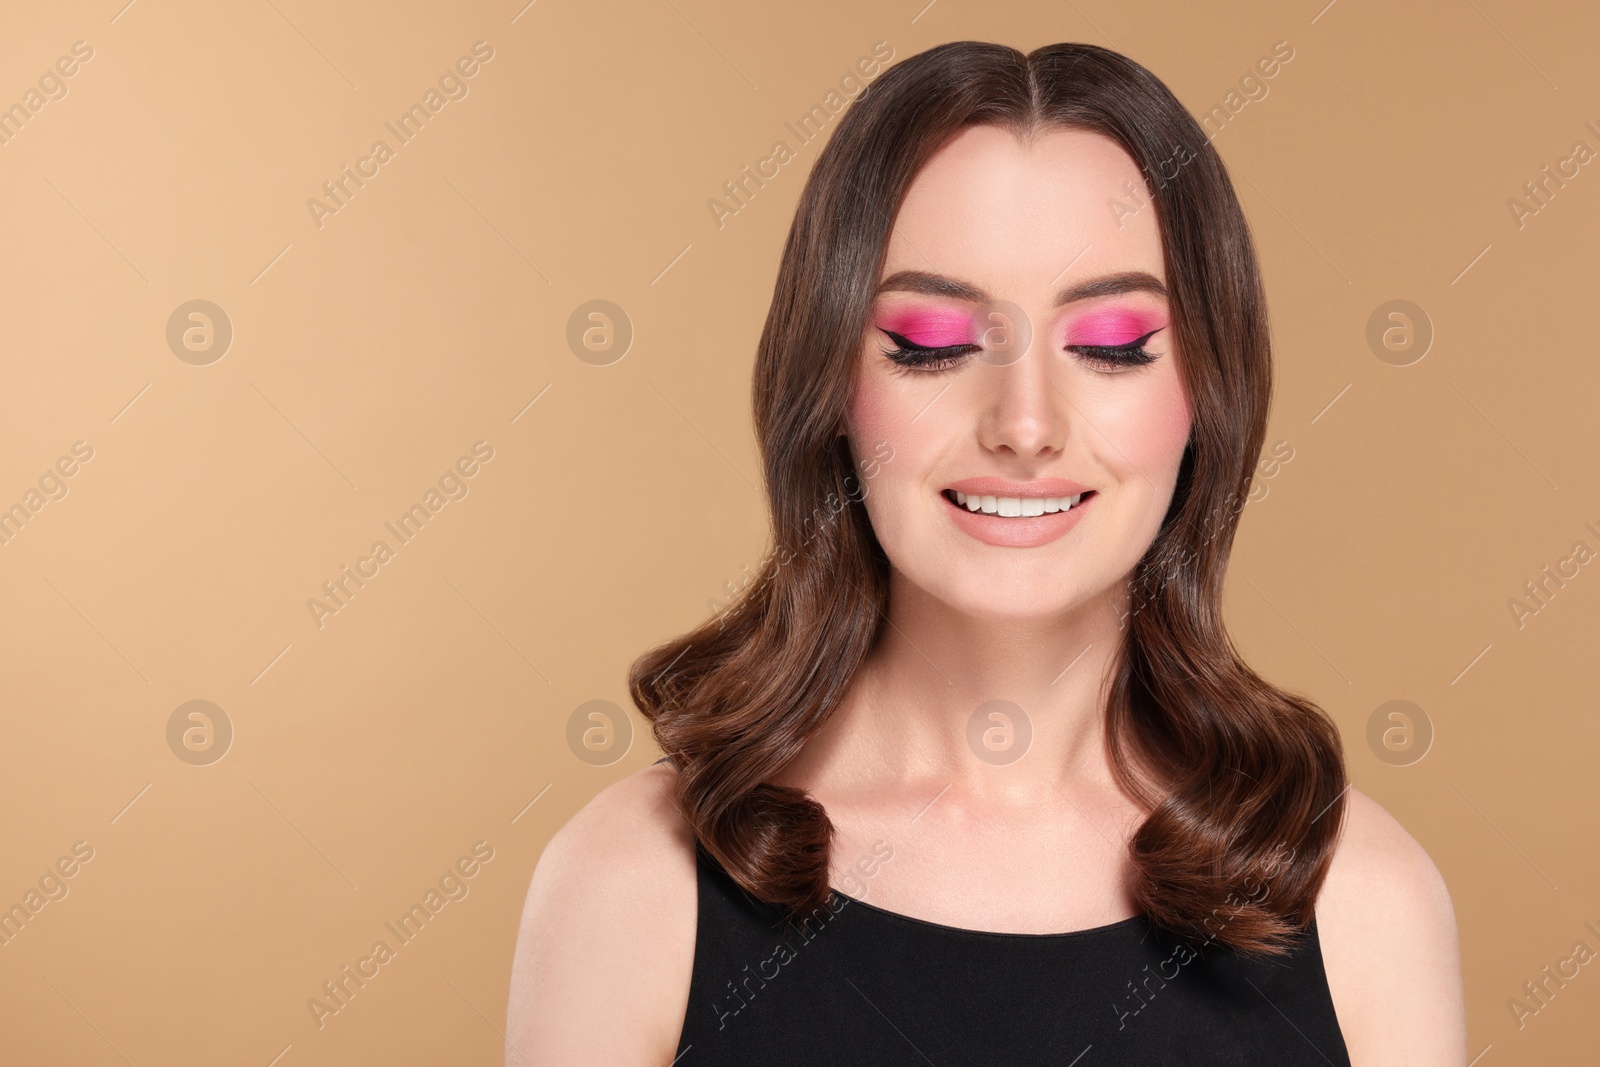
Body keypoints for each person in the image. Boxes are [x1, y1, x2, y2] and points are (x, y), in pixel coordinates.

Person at [506, 40, 1465, 1065]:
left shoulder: (1365, 899)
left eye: (1107, 342)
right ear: (828, 383)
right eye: (930, 340)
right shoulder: (631, 887)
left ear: (1204, 393)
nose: (1023, 422)